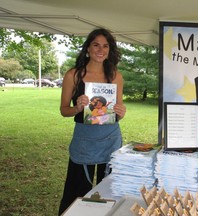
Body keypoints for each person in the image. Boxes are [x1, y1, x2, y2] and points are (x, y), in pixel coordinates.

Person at [58, 28, 126, 215]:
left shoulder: (116, 76)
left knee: (110, 191)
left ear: (110, 50)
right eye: (96, 44)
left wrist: (121, 111)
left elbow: (117, 112)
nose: (100, 50)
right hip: (84, 140)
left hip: (111, 138)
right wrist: (78, 108)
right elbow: (64, 110)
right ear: (88, 48)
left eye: (105, 46)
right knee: (77, 191)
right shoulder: (73, 75)